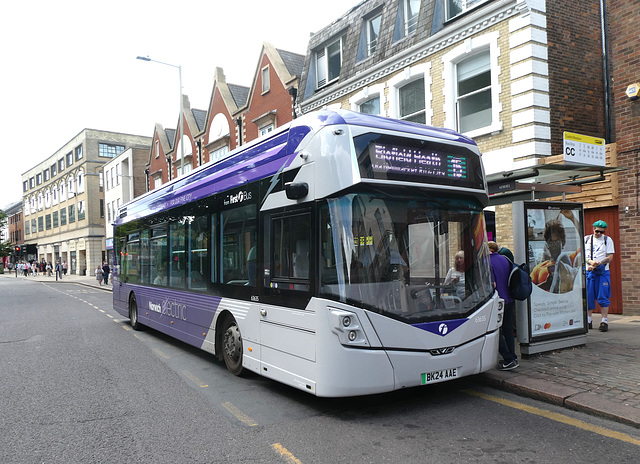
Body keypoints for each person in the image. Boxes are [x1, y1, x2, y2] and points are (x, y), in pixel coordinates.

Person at [488, 241, 518, 370]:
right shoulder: (504, 259)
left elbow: (493, 284)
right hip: (509, 299)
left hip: (497, 301)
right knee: (508, 329)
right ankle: (513, 357)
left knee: (494, 330)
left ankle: (508, 358)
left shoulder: (487, 262)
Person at [530, 218, 581, 293]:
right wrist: (545, 285)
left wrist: (572, 218)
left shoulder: (570, 260)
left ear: (562, 243)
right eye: (551, 241)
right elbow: (529, 291)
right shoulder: (539, 268)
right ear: (547, 244)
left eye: (557, 241)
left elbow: (583, 244)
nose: (554, 245)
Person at [584, 220, 615, 332]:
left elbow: (610, 257)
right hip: (589, 271)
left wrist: (598, 263)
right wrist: (590, 262)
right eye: (597, 231)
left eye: (602, 232)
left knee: (603, 297)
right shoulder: (586, 239)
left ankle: (604, 321)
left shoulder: (607, 240)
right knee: (589, 296)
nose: (599, 234)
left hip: (602, 272)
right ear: (593, 229)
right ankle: (588, 320)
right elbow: (582, 255)